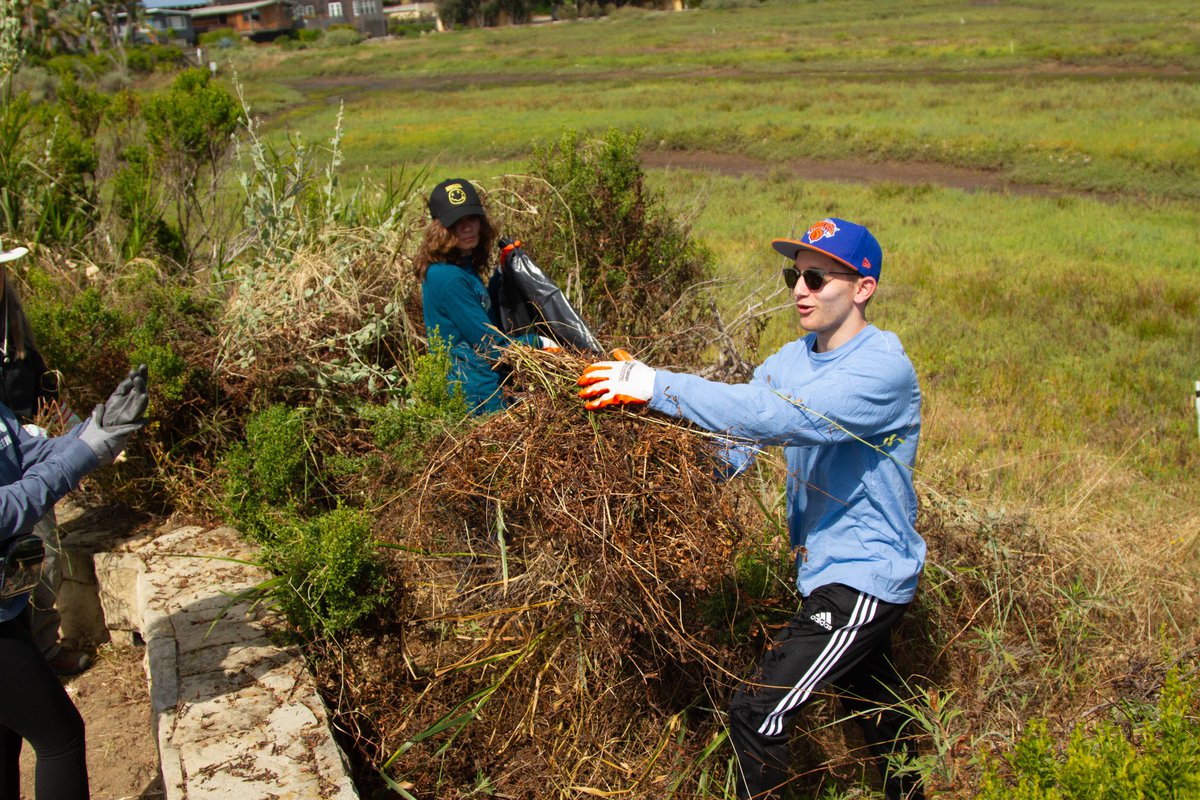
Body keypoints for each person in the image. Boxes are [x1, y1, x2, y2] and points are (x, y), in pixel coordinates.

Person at [577, 218, 926, 800]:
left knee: (756, 708)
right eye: (795, 275)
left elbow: (783, 417)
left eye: (816, 277)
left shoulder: (881, 370)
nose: (799, 290)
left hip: (864, 575)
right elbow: (738, 441)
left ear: (863, 288)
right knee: (879, 716)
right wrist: (658, 472)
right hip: (823, 571)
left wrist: (659, 383)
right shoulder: (791, 360)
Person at [0, 242, 151, 800]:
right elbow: (8, 507)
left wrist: (94, 429)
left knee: (6, 737)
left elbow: (22, 456)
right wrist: (90, 451)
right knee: (61, 734)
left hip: (5, 605)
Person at [0, 243, 89, 676]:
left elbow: (47, 398)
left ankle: (42, 651)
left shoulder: (19, 346)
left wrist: (81, 432)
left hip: (31, 462)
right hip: (8, 474)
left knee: (43, 558)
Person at [416, 178, 557, 415]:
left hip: (481, 386)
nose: (467, 227)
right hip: (477, 398)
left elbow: (479, 309)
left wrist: (502, 273)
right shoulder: (449, 278)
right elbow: (490, 346)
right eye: (456, 222)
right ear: (440, 230)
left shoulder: (458, 266)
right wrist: (540, 343)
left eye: (471, 218)